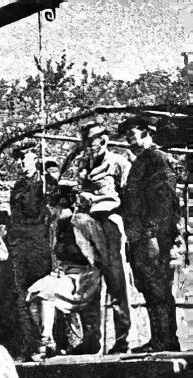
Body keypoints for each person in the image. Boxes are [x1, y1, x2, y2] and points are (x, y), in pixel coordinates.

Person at [119, 116, 181, 352]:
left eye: (133, 136)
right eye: (127, 139)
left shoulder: (156, 159)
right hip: (139, 236)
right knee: (148, 287)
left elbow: (165, 200)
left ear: (147, 133)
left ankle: (166, 340)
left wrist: (154, 234)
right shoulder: (140, 162)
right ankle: (159, 339)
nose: (130, 142)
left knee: (158, 288)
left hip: (151, 236)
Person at [26, 193, 106, 358]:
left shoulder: (82, 222)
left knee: (45, 294)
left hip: (85, 276)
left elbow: (101, 252)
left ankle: (43, 344)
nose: (50, 211)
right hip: (65, 274)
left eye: (53, 207)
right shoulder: (56, 226)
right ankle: (48, 341)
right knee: (33, 292)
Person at [77, 122, 132, 353]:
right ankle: (91, 340)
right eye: (87, 141)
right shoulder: (84, 164)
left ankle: (124, 339)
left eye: (94, 140)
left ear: (104, 140)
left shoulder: (119, 162)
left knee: (117, 282)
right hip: (89, 225)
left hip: (111, 223)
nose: (90, 145)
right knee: (90, 281)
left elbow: (129, 197)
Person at [0, 144, 53, 360]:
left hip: (40, 246)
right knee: (22, 297)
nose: (21, 163)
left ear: (35, 157)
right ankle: (29, 343)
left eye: (25, 158)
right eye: (18, 160)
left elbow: (48, 216)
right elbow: (15, 216)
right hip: (22, 246)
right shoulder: (18, 186)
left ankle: (47, 343)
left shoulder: (45, 183)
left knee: (43, 294)